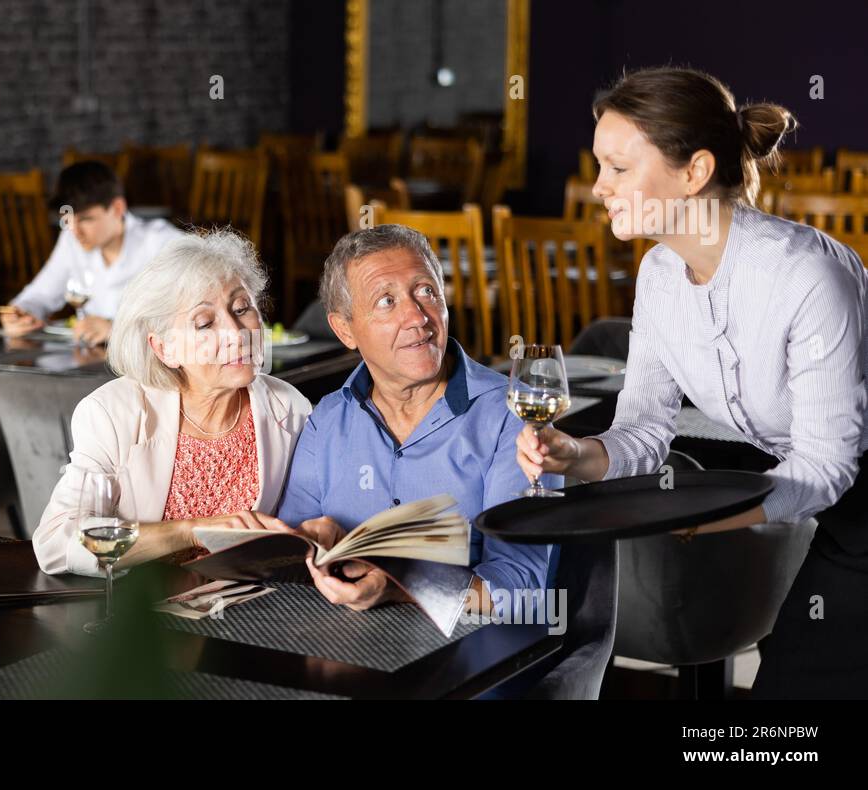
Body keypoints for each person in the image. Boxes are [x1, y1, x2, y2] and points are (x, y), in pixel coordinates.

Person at [515, 66, 868, 698]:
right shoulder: (658, 274)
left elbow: (827, 465)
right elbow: (647, 428)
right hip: (843, 510)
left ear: (695, 172)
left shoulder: (806, 277)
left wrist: (707, 517)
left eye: (619, 168)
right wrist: (579, 455)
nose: (598, 188)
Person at [277, 225, 553, 616]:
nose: (417, 316)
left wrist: (399, 584)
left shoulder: (513, 416)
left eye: (426, 291)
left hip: (471, 654)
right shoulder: (327, 420)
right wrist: (308, 547)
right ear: (344, 329)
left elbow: (523, 589)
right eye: (387, 301)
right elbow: (284, 561)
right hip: (342, 648)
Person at [33, 230, 312, 576]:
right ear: (164, 349)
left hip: (247, 608)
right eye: (205, 323)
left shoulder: (290, 409)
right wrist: (188, 532)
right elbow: (57, 544)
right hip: (141, 613)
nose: (236, 333)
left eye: (242, 308)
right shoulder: (113, 414)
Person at [1, 160, 183, 346]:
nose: (75, 231)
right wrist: (21, 313)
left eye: (86, 219)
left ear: (118, 208)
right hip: (92, 359)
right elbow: (40, 294)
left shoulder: (163, 243)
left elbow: (191, 318)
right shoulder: (71, 239)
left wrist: (115, 329)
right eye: (67, 219)